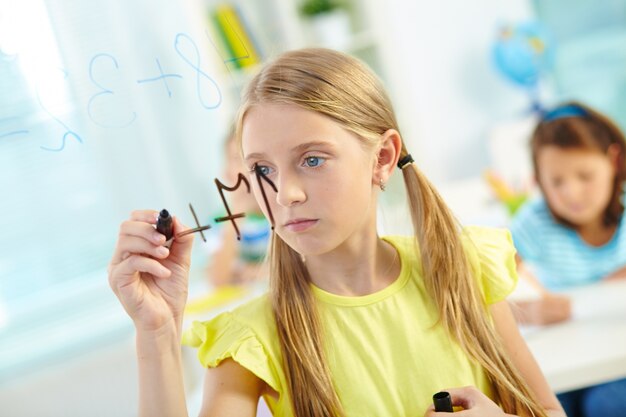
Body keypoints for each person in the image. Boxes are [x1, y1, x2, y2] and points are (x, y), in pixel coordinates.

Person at [108, 48, 566, 417]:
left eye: (312, 159)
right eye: (262, 169)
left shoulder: (463, 270)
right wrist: (158, 336)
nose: (285, 193)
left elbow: (545, 408)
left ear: (383, 158)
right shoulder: (253, 339)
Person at [508, 101, 626, 417]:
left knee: (608, 405)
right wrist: (529, 311)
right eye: (556, 182)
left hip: (617, 357)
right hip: (564, 358)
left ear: (614, 161)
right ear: (538, 181)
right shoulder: (535, 224)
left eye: (585, 175)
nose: (571, 193)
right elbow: (483, 285)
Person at [205, 129, 270, 287]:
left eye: (256, 160)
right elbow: (218, 279)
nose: (248, 169)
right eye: (238, 159)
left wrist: (264, 271)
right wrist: (235, 216)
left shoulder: (284, 212)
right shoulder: (221, 221)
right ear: (227, 173)